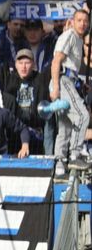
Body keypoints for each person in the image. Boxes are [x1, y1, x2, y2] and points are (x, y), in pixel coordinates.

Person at [49, 9, 90, 166]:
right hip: (62, 81)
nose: (82, 24)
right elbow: (56, 61)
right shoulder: (70, 35)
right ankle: (75, 155)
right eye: (79, 20)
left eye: (85, 21)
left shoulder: (78, 39)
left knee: (65, 125)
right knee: (82, 116)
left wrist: (81, 84)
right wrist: (56, 88)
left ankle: (59, 164)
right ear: (72, 22)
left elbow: (70, 66)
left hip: (69, 81)